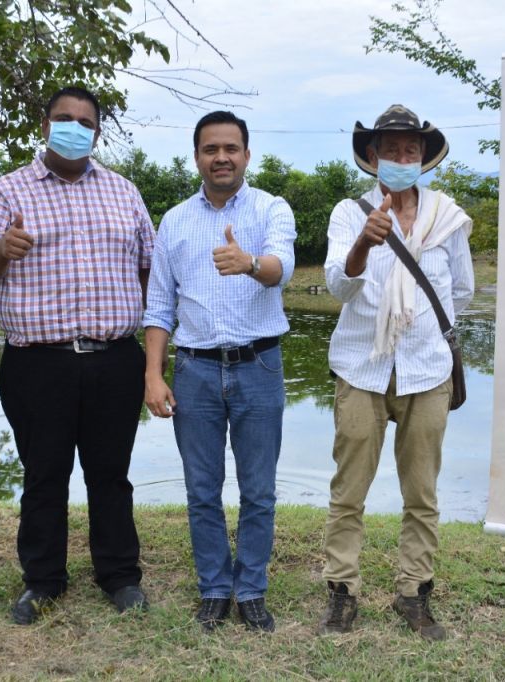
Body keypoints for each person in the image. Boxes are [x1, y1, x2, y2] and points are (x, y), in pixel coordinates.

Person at [0, 86, 155, 624]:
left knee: (110, 474)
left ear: (97, 132)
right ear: (45, 125)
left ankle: (119, 576)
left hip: (113, 358)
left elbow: (150, 266)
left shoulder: (123, 192)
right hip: (36, 364)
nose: (73, 127)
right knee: (44, 474)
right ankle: (43, 580)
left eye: (84, 121)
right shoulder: (7, 191)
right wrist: (3, 248)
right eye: (62, 118)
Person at [317, 104, 474, 641]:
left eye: (411, 150)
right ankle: (342, 592)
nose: (402, 158)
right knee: (349, 491)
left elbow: (462, 291)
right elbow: (339, 285)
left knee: (422, 491)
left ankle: (414, 593)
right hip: (362, 368)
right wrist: (366, 239)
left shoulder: (448, 217)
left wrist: (428, 333)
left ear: (424, 158)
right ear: (373, 156)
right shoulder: (348, 212)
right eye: (391, 150)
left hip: (428, 370)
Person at [143, 111, 296, 633]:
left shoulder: (272, 208)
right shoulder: (174, 221)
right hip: (195, 371)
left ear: (247, 155)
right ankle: (214, 586)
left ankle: (250, 588)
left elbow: (282, 268)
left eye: (231, 148)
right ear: (197, 157)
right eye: (211, 149)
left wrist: (249, 263)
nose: (222, 157)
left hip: (258, 365)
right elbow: (160, 307)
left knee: (259, 490)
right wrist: (153, 374)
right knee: (201, 489)